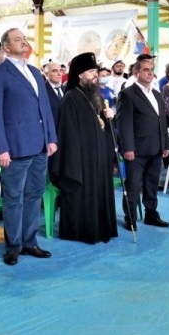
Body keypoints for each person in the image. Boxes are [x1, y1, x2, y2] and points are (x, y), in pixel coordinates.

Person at [0, 28, 57, 266]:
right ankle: (13, 246)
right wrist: (1, 148)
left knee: (35, 194)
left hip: (39, 146)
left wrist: (51, 138)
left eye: (24, 38)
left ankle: (29, 242)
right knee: (13, 198)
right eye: (17, 39)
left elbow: (45, 107)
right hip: (15, 148)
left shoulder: (35, 72)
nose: (23, 41)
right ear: (6, 47)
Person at [53, 52, 118, 244]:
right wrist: (75, 162)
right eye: (91, 71)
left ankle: (101, 228)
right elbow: (67, 135)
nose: (95, 75)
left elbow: (100, 124)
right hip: (81, 160)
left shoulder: (96, 96)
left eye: (96, 71)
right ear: (80, 74)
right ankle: (81, 231)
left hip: (98, 157)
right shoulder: (70, 98)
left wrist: (109, 117)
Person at [116, 54, 169, 225]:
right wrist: (128, 148)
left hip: (156, 147)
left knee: (152, 184)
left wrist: (166, 144)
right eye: (145, 70)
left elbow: (162, 121)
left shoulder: (156, 94)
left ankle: (151, 214)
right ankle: (130, 217)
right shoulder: (127, 94)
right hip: (136, 150)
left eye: (151, 70)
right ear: (136, 73)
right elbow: (124, 123)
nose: (150, 73)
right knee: (133, 185)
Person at [43, 62, 64, 131]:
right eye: (55, 71)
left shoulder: (66, 89)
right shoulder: (42, 90)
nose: (59, 74)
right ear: (46, 74)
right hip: (52, 131)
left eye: (60, 70)